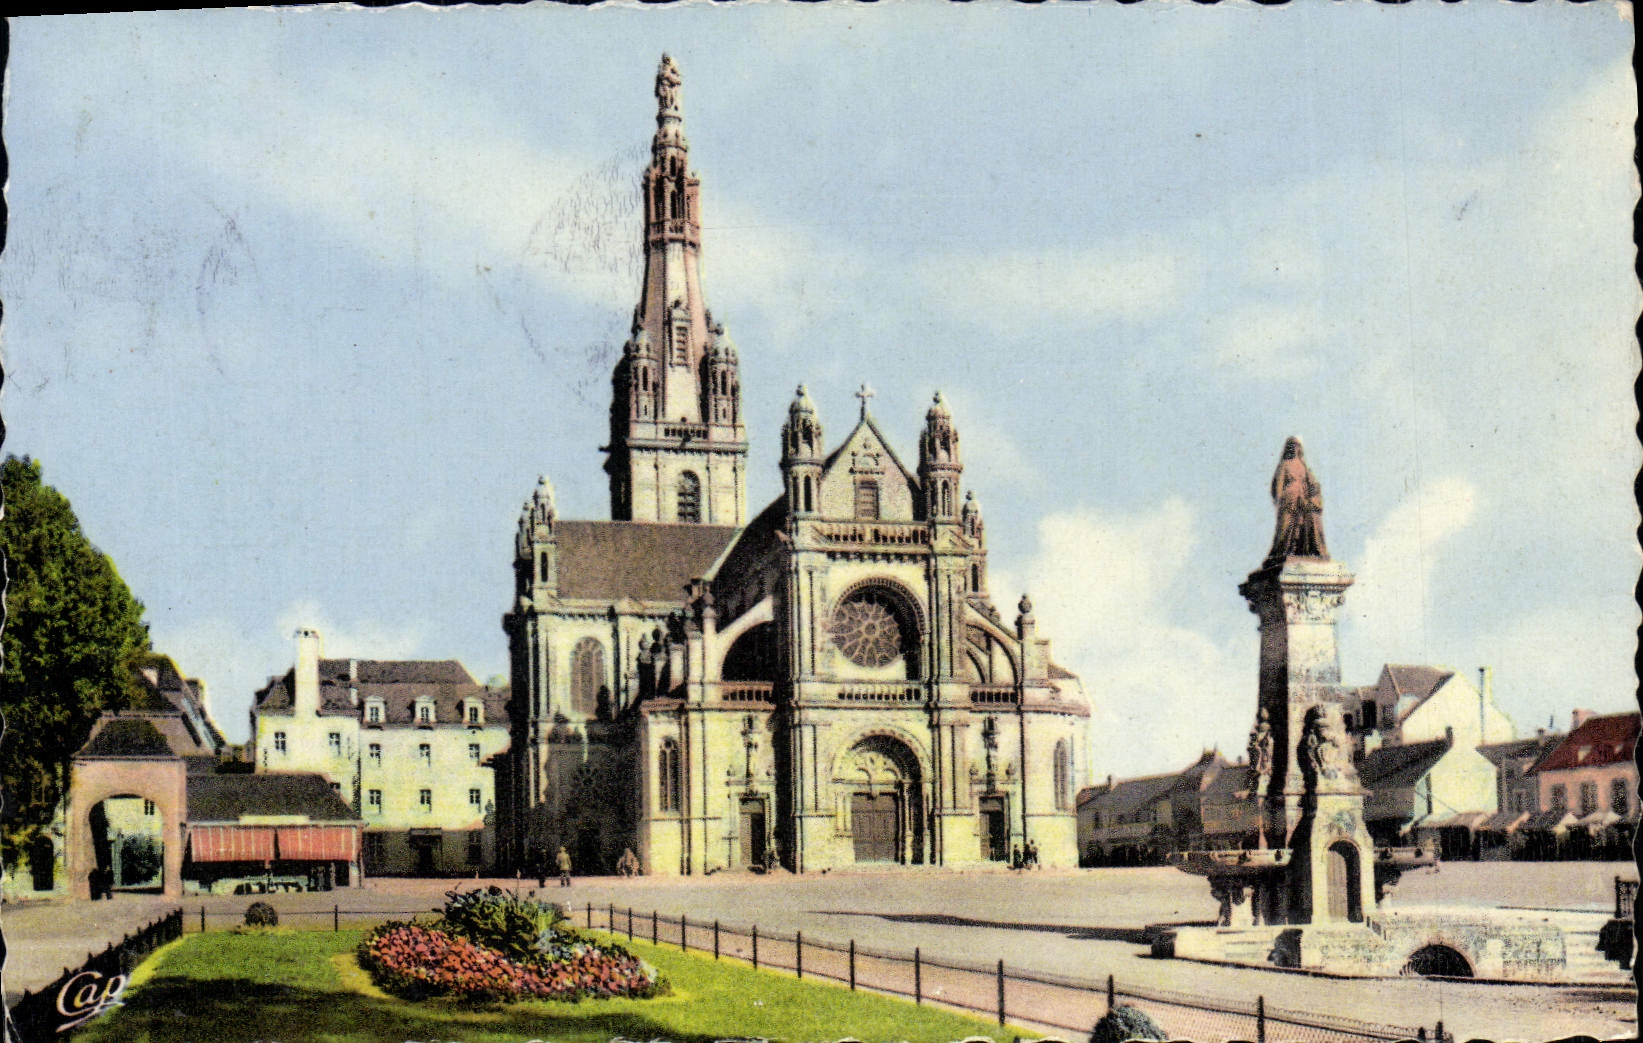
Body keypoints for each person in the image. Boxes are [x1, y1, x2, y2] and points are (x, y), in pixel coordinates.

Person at [1267, 436, 1328, 562]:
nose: (1295, 449)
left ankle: (1302, 551)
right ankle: (1280, 551)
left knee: (1303, 524)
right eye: (1292, 446)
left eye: (1297, 446)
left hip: (1303, 499)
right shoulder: (1284, 465)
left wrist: (1313, 493)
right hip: (1289, 499)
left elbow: (1312, 483)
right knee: (1286, 525)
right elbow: (1277, 485)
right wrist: (1280, 498)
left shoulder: (1302, 465)